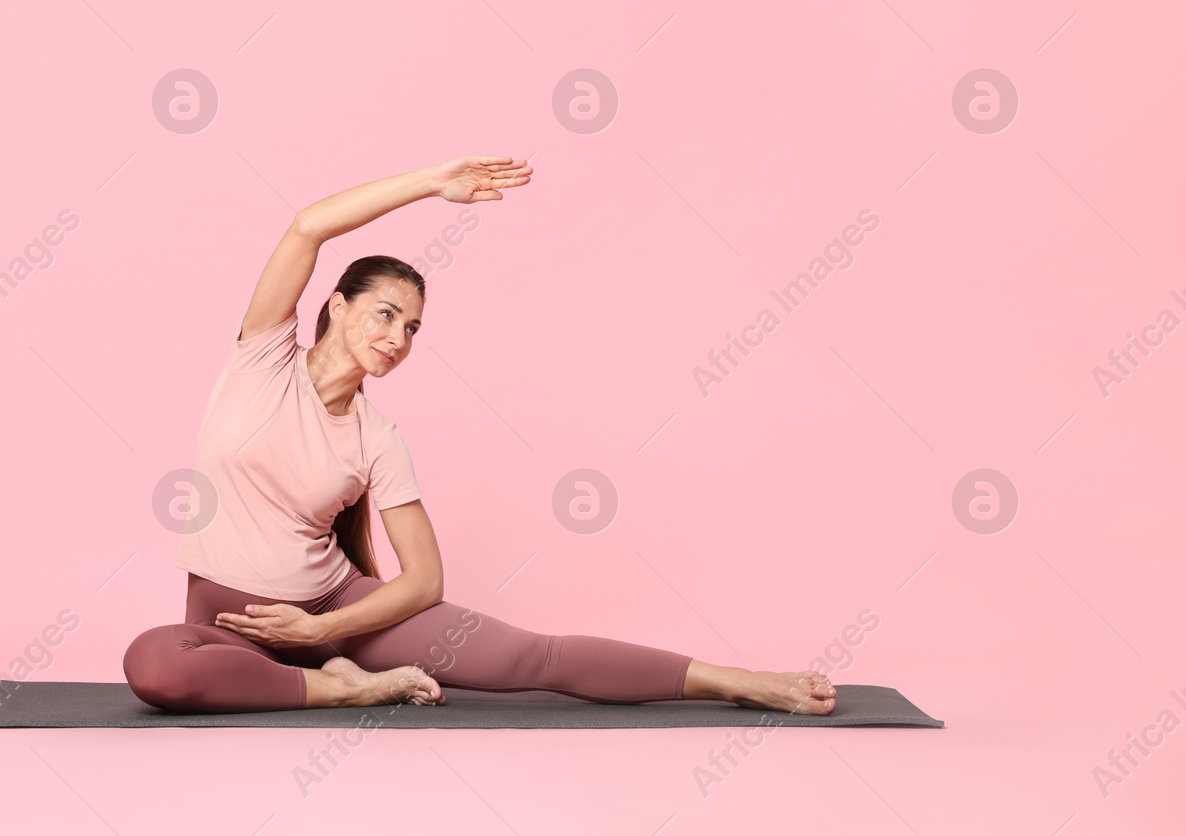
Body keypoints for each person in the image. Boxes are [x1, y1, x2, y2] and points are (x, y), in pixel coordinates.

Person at [122, 156, 837, 715]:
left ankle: (740, 681)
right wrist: (433, 183)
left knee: (537, 659)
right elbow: (308, 226)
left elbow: (426, 579)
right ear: (335, 307)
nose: (398, 337)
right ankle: (344, 688)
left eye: (412, 328)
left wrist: (316, 632)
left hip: (339, 613)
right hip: (231, 622)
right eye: (384, 313)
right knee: (155, 664)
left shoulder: (377, 436)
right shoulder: (261, 361)